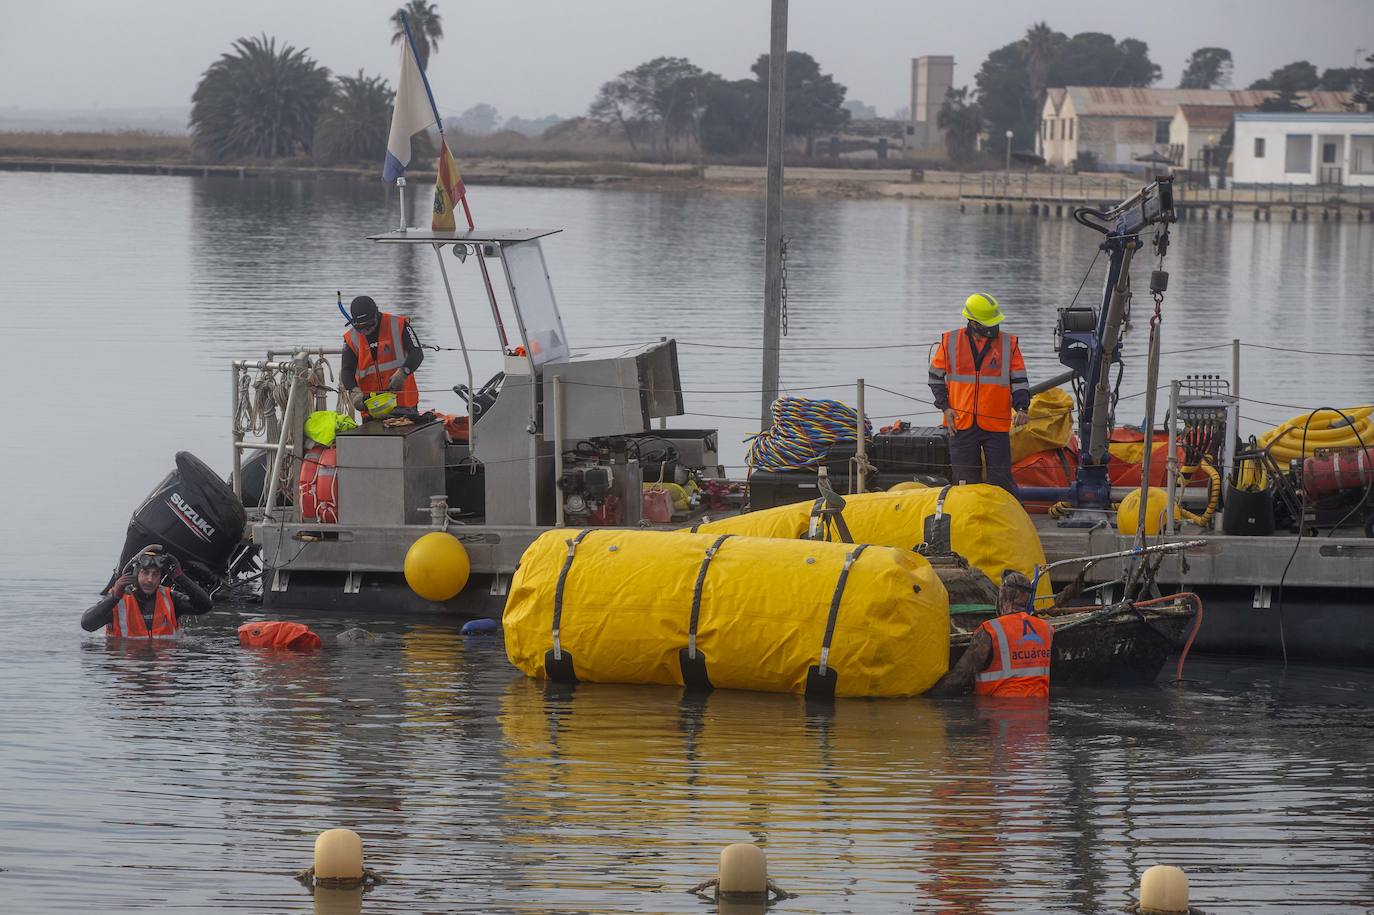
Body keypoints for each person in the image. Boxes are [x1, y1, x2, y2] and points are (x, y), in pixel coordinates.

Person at [928, 293, 1030, 496]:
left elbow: (1019, 381)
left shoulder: (1008, 344)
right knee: (965, 484)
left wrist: (1022, 407)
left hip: (996, 424)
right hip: (960, 423)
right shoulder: (950, 341)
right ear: (973, 322)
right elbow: (935, 378)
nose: (994, 328)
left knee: (1001, 482)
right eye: (988, 323)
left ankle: (1005, 512)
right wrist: (945, 408)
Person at [930, 570, 1054, 698]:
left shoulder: (990, 630)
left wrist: (929, 698)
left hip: (999, 706)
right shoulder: (1047, 629)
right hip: (1039, 707)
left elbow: (960, 676)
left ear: (1003, 596)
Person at [81, 547, 213, 637]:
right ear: (135, 574)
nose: (150, 580)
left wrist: (180, 577)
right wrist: (114, 597)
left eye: (155, 574)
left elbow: (205, 606)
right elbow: (87, 625)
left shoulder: (170, 599)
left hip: (162, 666)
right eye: (145, 573)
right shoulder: (118, 601)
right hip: (127, 665)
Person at [340, 295, 423, 416]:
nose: (366, 330)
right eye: (360, 327)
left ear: (376, 314)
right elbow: (347, 370)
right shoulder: (350, 338)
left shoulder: (399, 324)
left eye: (370, 324)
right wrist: (354, 391)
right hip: (371, 407)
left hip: (404, 404)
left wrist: (403, 372)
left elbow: (417, 352)